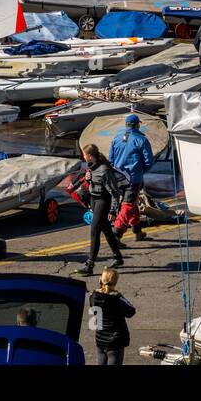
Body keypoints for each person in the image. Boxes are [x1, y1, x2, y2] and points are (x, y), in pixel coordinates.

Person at [73, 143, 125, 276]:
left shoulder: (104, 169)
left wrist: (113, 211)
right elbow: (93, 184)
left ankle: (90, 264)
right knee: (106, 229)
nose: (83, 157)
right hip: (94, 199)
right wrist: (88, 180)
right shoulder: (91, 167)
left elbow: (114, 192)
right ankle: (118, 257)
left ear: (90, 156)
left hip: (103, 200)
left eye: (84, 155)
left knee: (94, 230)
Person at [110, 114, 155, 243]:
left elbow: (111, 160)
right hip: (134, 179)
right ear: (137, 125)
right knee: (128, 206)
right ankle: (117, 235)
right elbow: (149, 161)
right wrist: (141, 172)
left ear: (126, 125)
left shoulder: (116, 138)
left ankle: (137, 231)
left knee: (132, 203)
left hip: (118, 178)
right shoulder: (141, 139)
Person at [89, 268, 136, 366]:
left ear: (100, 280)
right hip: (115, 341)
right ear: (115, 282)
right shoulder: (116, 299)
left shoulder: (93, 296)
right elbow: (131, 311)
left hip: (100, 339)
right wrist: (120, 296)